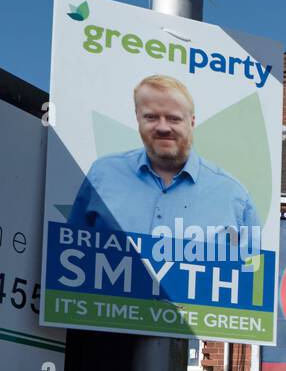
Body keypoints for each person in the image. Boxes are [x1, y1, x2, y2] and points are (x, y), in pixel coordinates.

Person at [67, 74, 260, 259]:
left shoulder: (234, 197)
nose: (163, 127)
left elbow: (252, 279)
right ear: (137, 117)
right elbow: (70, 251)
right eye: (151, 117)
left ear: (192, 122)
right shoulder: (103, 175)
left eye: (174, 118)